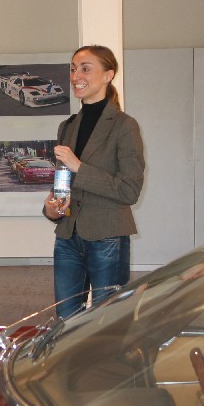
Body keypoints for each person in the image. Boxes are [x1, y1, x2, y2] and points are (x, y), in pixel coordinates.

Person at [43, 45, 145, 319]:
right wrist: (52, 208)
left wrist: (79, 167)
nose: (76, 75)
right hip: (67, 236)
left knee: (106, 320)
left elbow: (129, 190)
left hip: (107, 235)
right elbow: (63, 182)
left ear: (108, 75)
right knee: (65, 320)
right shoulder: (67, 126)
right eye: (73, 69)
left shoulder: (124, 125)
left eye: (85, 68)